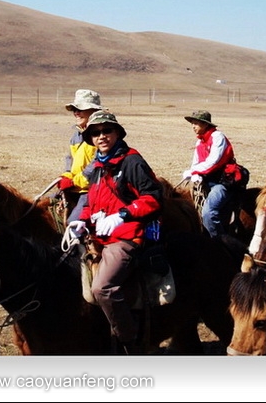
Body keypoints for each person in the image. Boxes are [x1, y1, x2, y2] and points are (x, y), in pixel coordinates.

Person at [68, 110, 163, 355]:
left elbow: (153, 198)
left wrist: (122, 215)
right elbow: (91, 201)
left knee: (102, 288)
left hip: (126, 237)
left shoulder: (132, 161)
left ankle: (130, 341)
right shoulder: (98, 165)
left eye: (107, 131)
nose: (102, 136)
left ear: (117, 133)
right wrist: (81, 220)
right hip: (98, 236)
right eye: (96, 133)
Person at [182, 110, 237, 238]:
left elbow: (213, 162)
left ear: (205, 124)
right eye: (192, 123)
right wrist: (195, 173)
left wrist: (193, 172)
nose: (193, 127)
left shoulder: (218, 137)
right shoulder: (200, 142)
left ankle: (220, 241)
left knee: (208, 213)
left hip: (221, 182)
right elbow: (196, 163)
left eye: (196, 123)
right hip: (206, 180)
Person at [58, 89, 104, 223]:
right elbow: (70, 160)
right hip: (76, 187)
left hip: (92, 190)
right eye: (74, 110)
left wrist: (73, 182)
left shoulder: (101, 134)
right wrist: (66, 176)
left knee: (73, 224)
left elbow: (97, 165)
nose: (76, 113)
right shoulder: (76, 135)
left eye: (80, 109)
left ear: (94, 111)